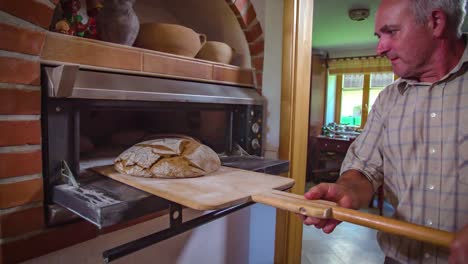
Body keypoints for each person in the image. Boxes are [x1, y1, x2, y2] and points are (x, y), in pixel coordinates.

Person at [302, 0, 468, 263]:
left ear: (435, 22)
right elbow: (364, 170)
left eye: (392, 32)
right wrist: (346, 191)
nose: (380, 48)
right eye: (379, 36)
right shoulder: (388, 100)